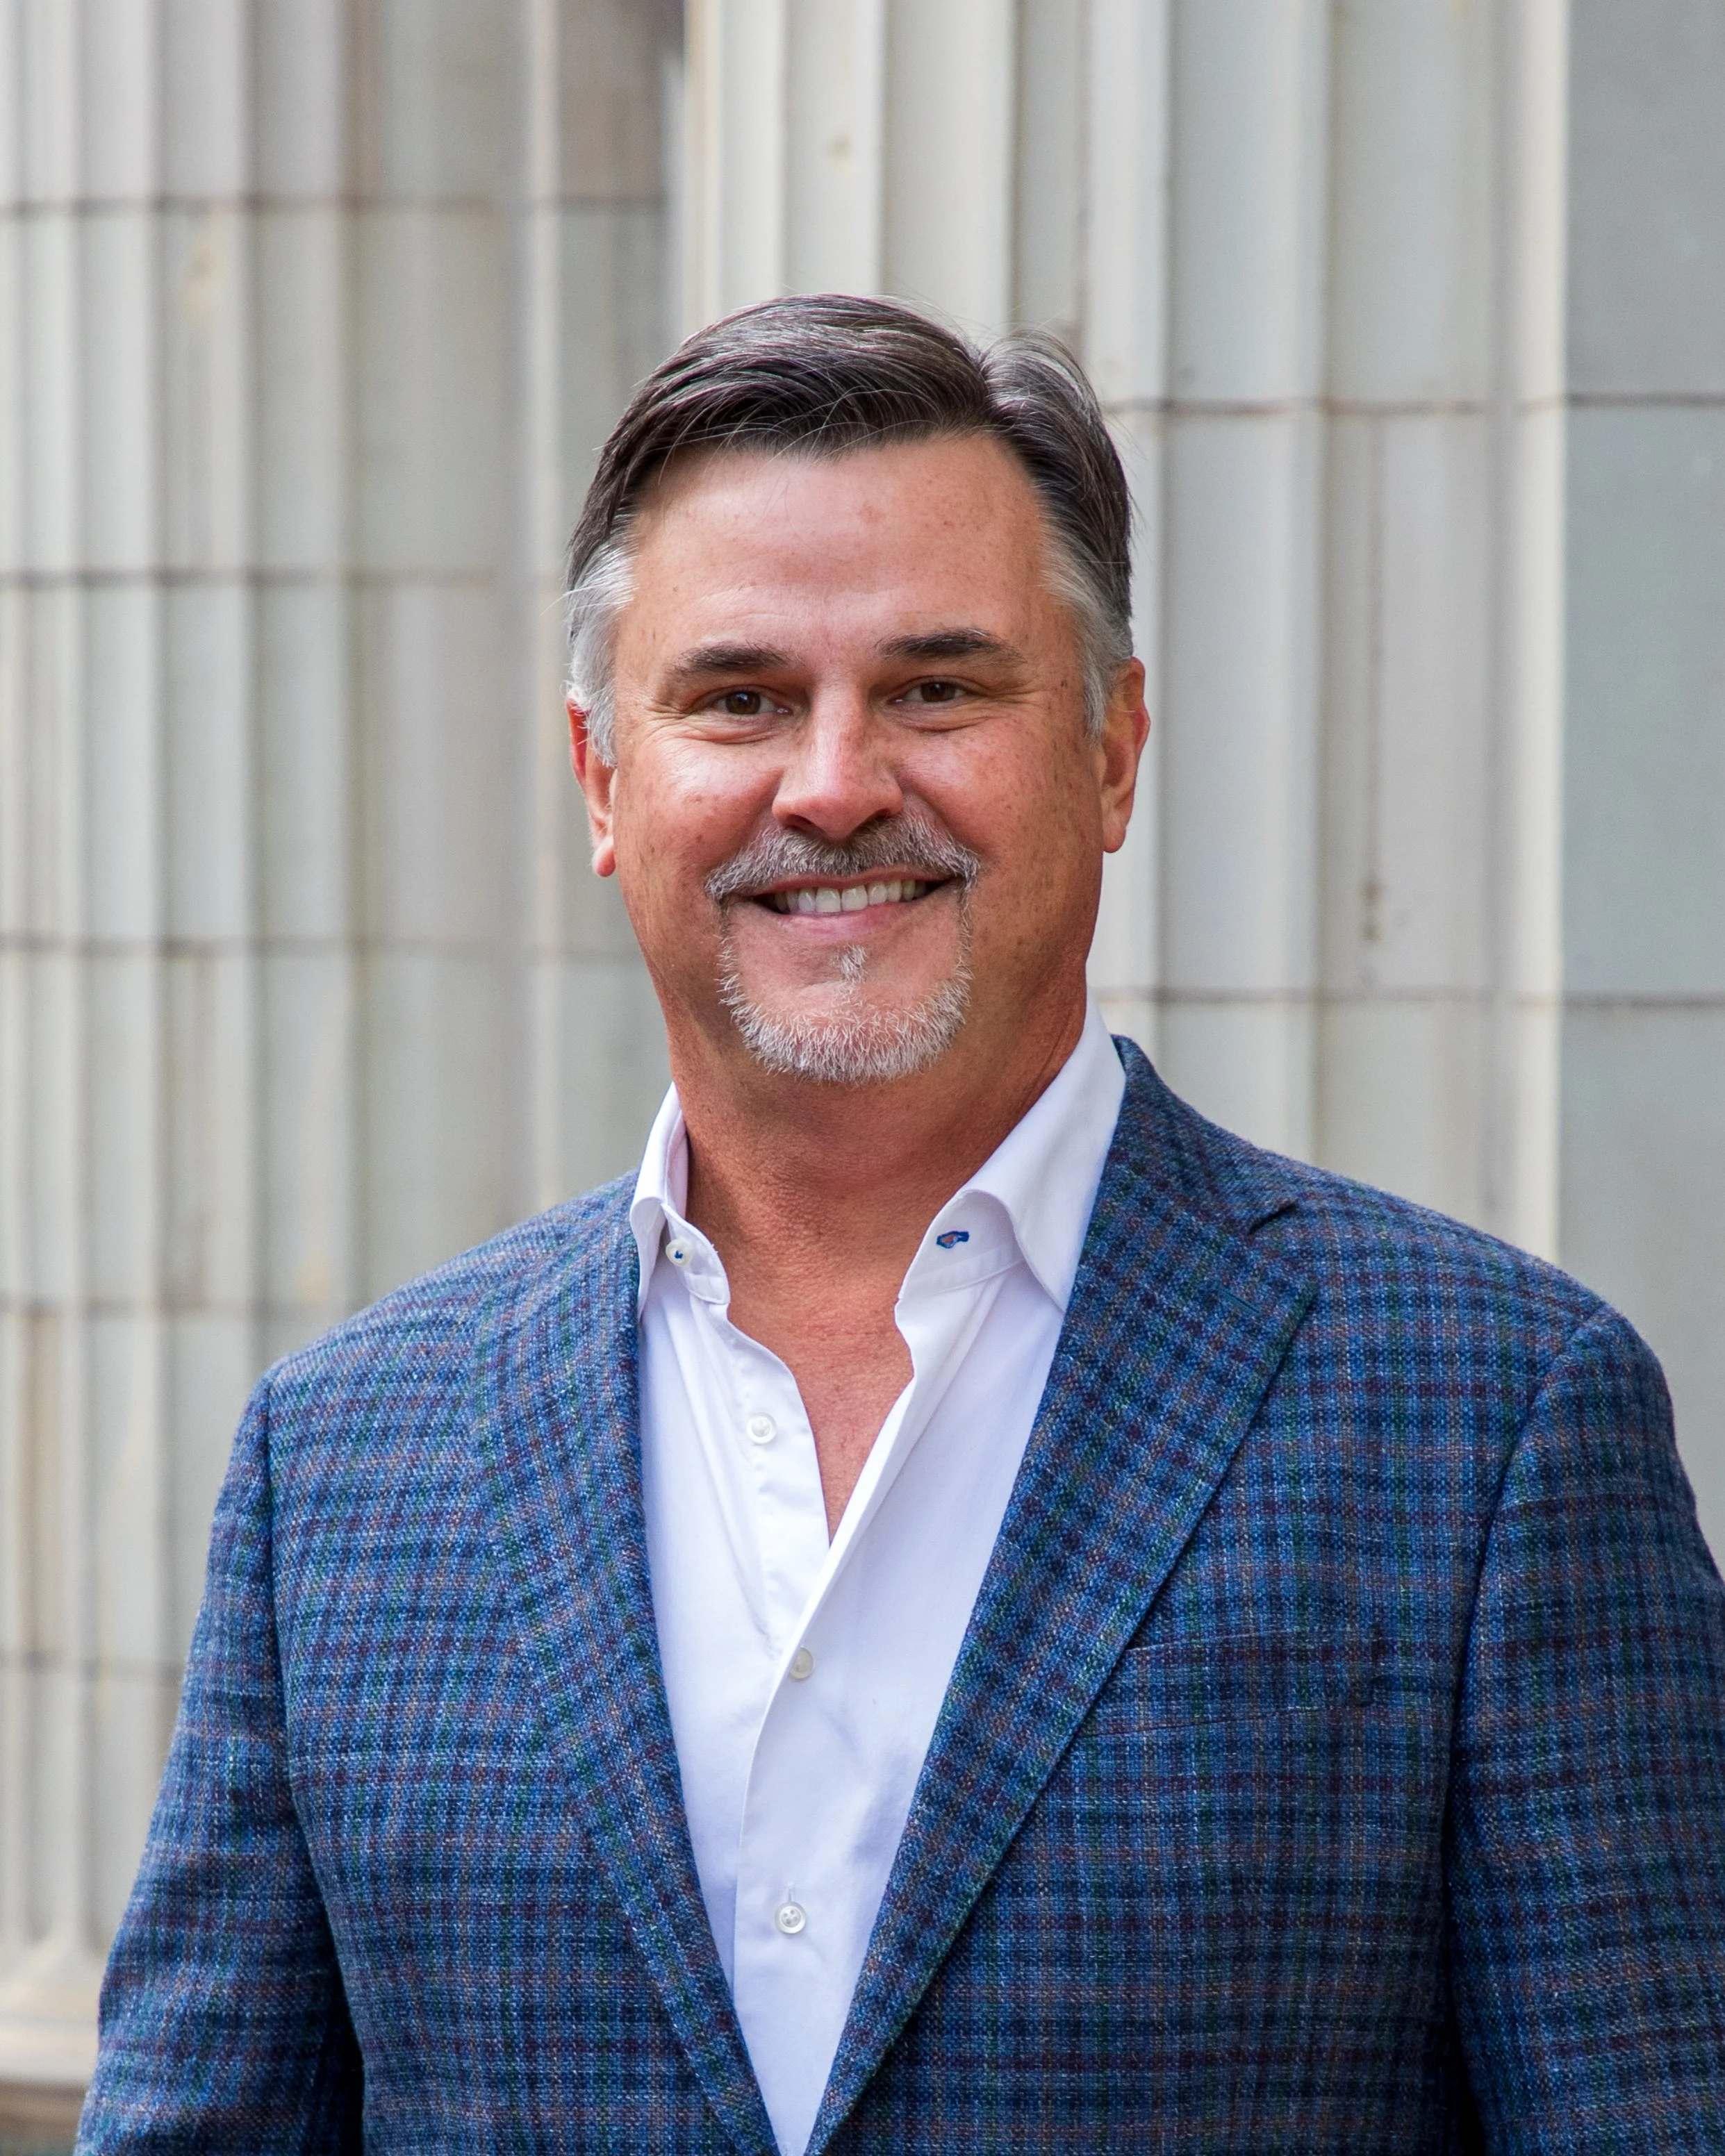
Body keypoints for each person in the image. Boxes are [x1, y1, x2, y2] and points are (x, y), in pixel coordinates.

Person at [79, 295, 1724, 2155]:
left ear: (1112, 753)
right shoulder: (346, 1460)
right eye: (738, 699)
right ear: (607, 780)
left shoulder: (1495, 1426)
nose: (839, 782)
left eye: (939, 689)